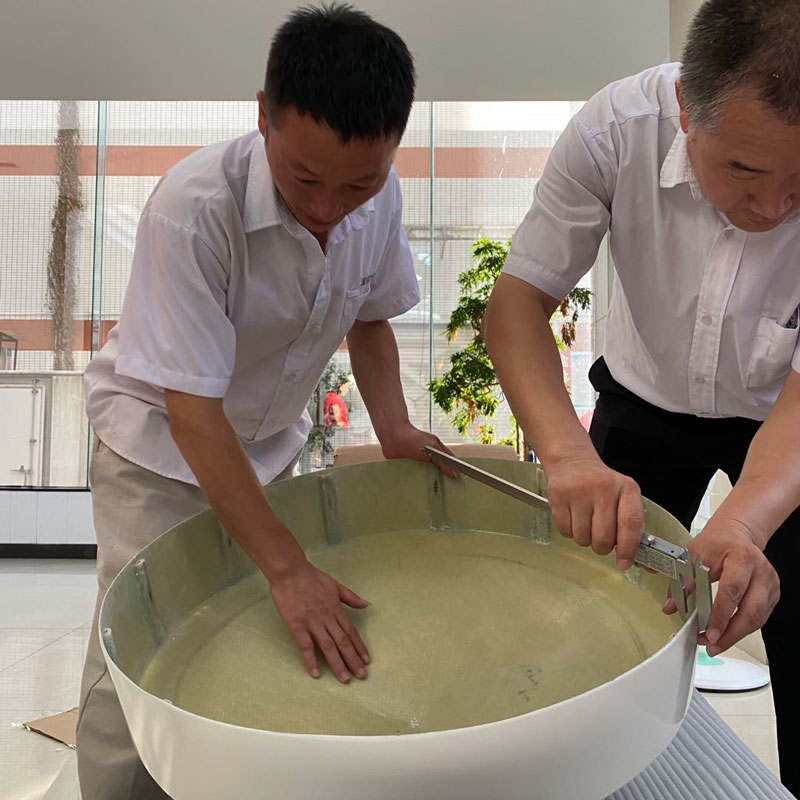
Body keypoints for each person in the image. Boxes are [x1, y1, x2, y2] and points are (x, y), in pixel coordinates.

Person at [77, 5, 451, 798]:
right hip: (156, 447)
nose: (328, 206)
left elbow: (371, 317)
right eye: (305, 179)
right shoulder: (193, 209)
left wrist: (396, 429)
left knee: (246, 637)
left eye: (358, 182)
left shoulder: (378, 197)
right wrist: (287, 567)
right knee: (141, 643)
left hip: (265, 444)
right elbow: (192, 414)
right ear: (263, 116)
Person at [484, 0, 800, 791]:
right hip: (642, 402)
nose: (772, 209)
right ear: (687, 109)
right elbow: (517, 305)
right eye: (744, 172)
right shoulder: (616, 129)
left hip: (783, 418)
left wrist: (744, 521)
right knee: (588, 616)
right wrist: (566, 457)